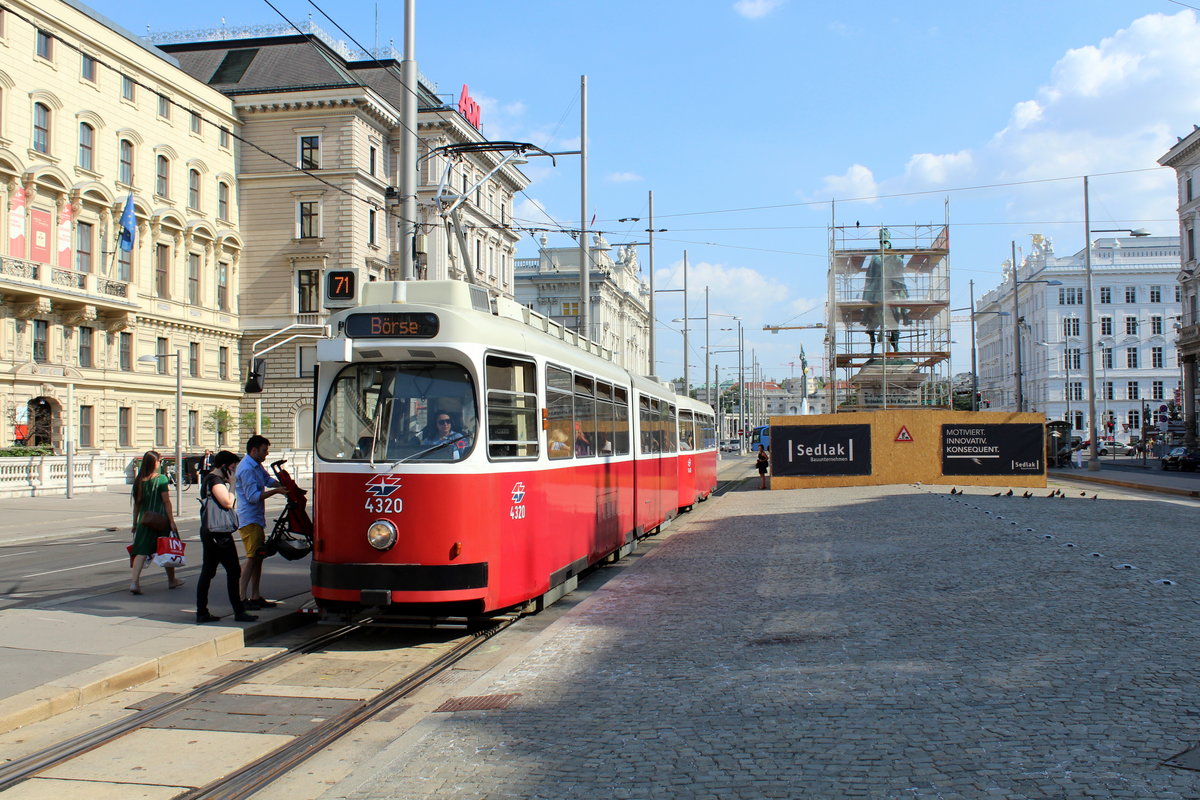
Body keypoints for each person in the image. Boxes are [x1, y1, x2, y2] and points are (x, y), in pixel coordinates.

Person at [196, 450, 257, 624]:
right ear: (224, 467)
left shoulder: (212, 479)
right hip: (218, 533)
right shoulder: (215, 480)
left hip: (212, 531)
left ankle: (202, 612)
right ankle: (238, 611)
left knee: (208, 572)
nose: (234, 471)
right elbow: (228, 502)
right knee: (232, 570)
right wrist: (232, 484)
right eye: (232, 467)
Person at [235, 435, 284, 610]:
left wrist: (283, 485)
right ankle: (241, 597)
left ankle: (255, 595)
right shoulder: (247, 469)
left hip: (256, 518)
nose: (266, 454)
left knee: (258, 558)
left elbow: (267, 480)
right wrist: (278, 491)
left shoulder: (256, 465)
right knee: (251, 557)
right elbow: (253, 497)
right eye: (264, 450)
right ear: (254, 450)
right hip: (249, 519)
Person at [129, 450, 185, 594]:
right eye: (159, 461)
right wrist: (172, 521)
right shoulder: (161, 479)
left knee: (141, 552)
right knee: (165, 550)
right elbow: (166, 501)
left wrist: (135, 523)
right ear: (153, 463)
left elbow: (136, 505)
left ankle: (134, 582)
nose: (160, 463)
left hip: (144, 521)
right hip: (160, 521)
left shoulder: (138, 481)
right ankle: (172, 580)